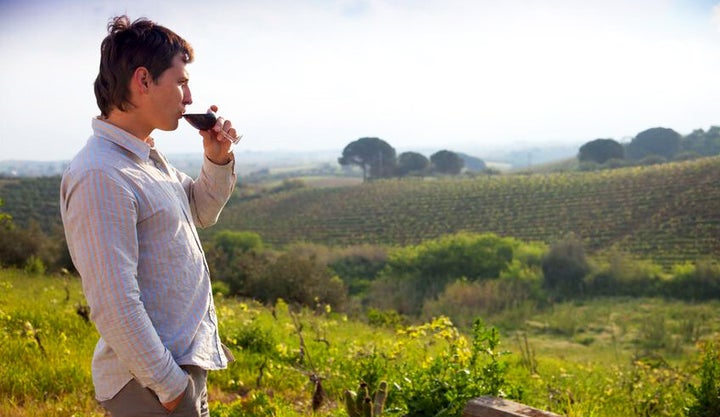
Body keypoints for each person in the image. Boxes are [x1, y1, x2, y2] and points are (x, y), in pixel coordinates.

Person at [60, 15, 238, 416]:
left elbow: (201, 211)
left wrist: (216, 158)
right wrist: (170, 386)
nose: (189, 97)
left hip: (175, 372)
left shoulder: (144, 160)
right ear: (143, 81)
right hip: (151, 386)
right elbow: (114, 302)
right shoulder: (101, 175)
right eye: (180, 81)